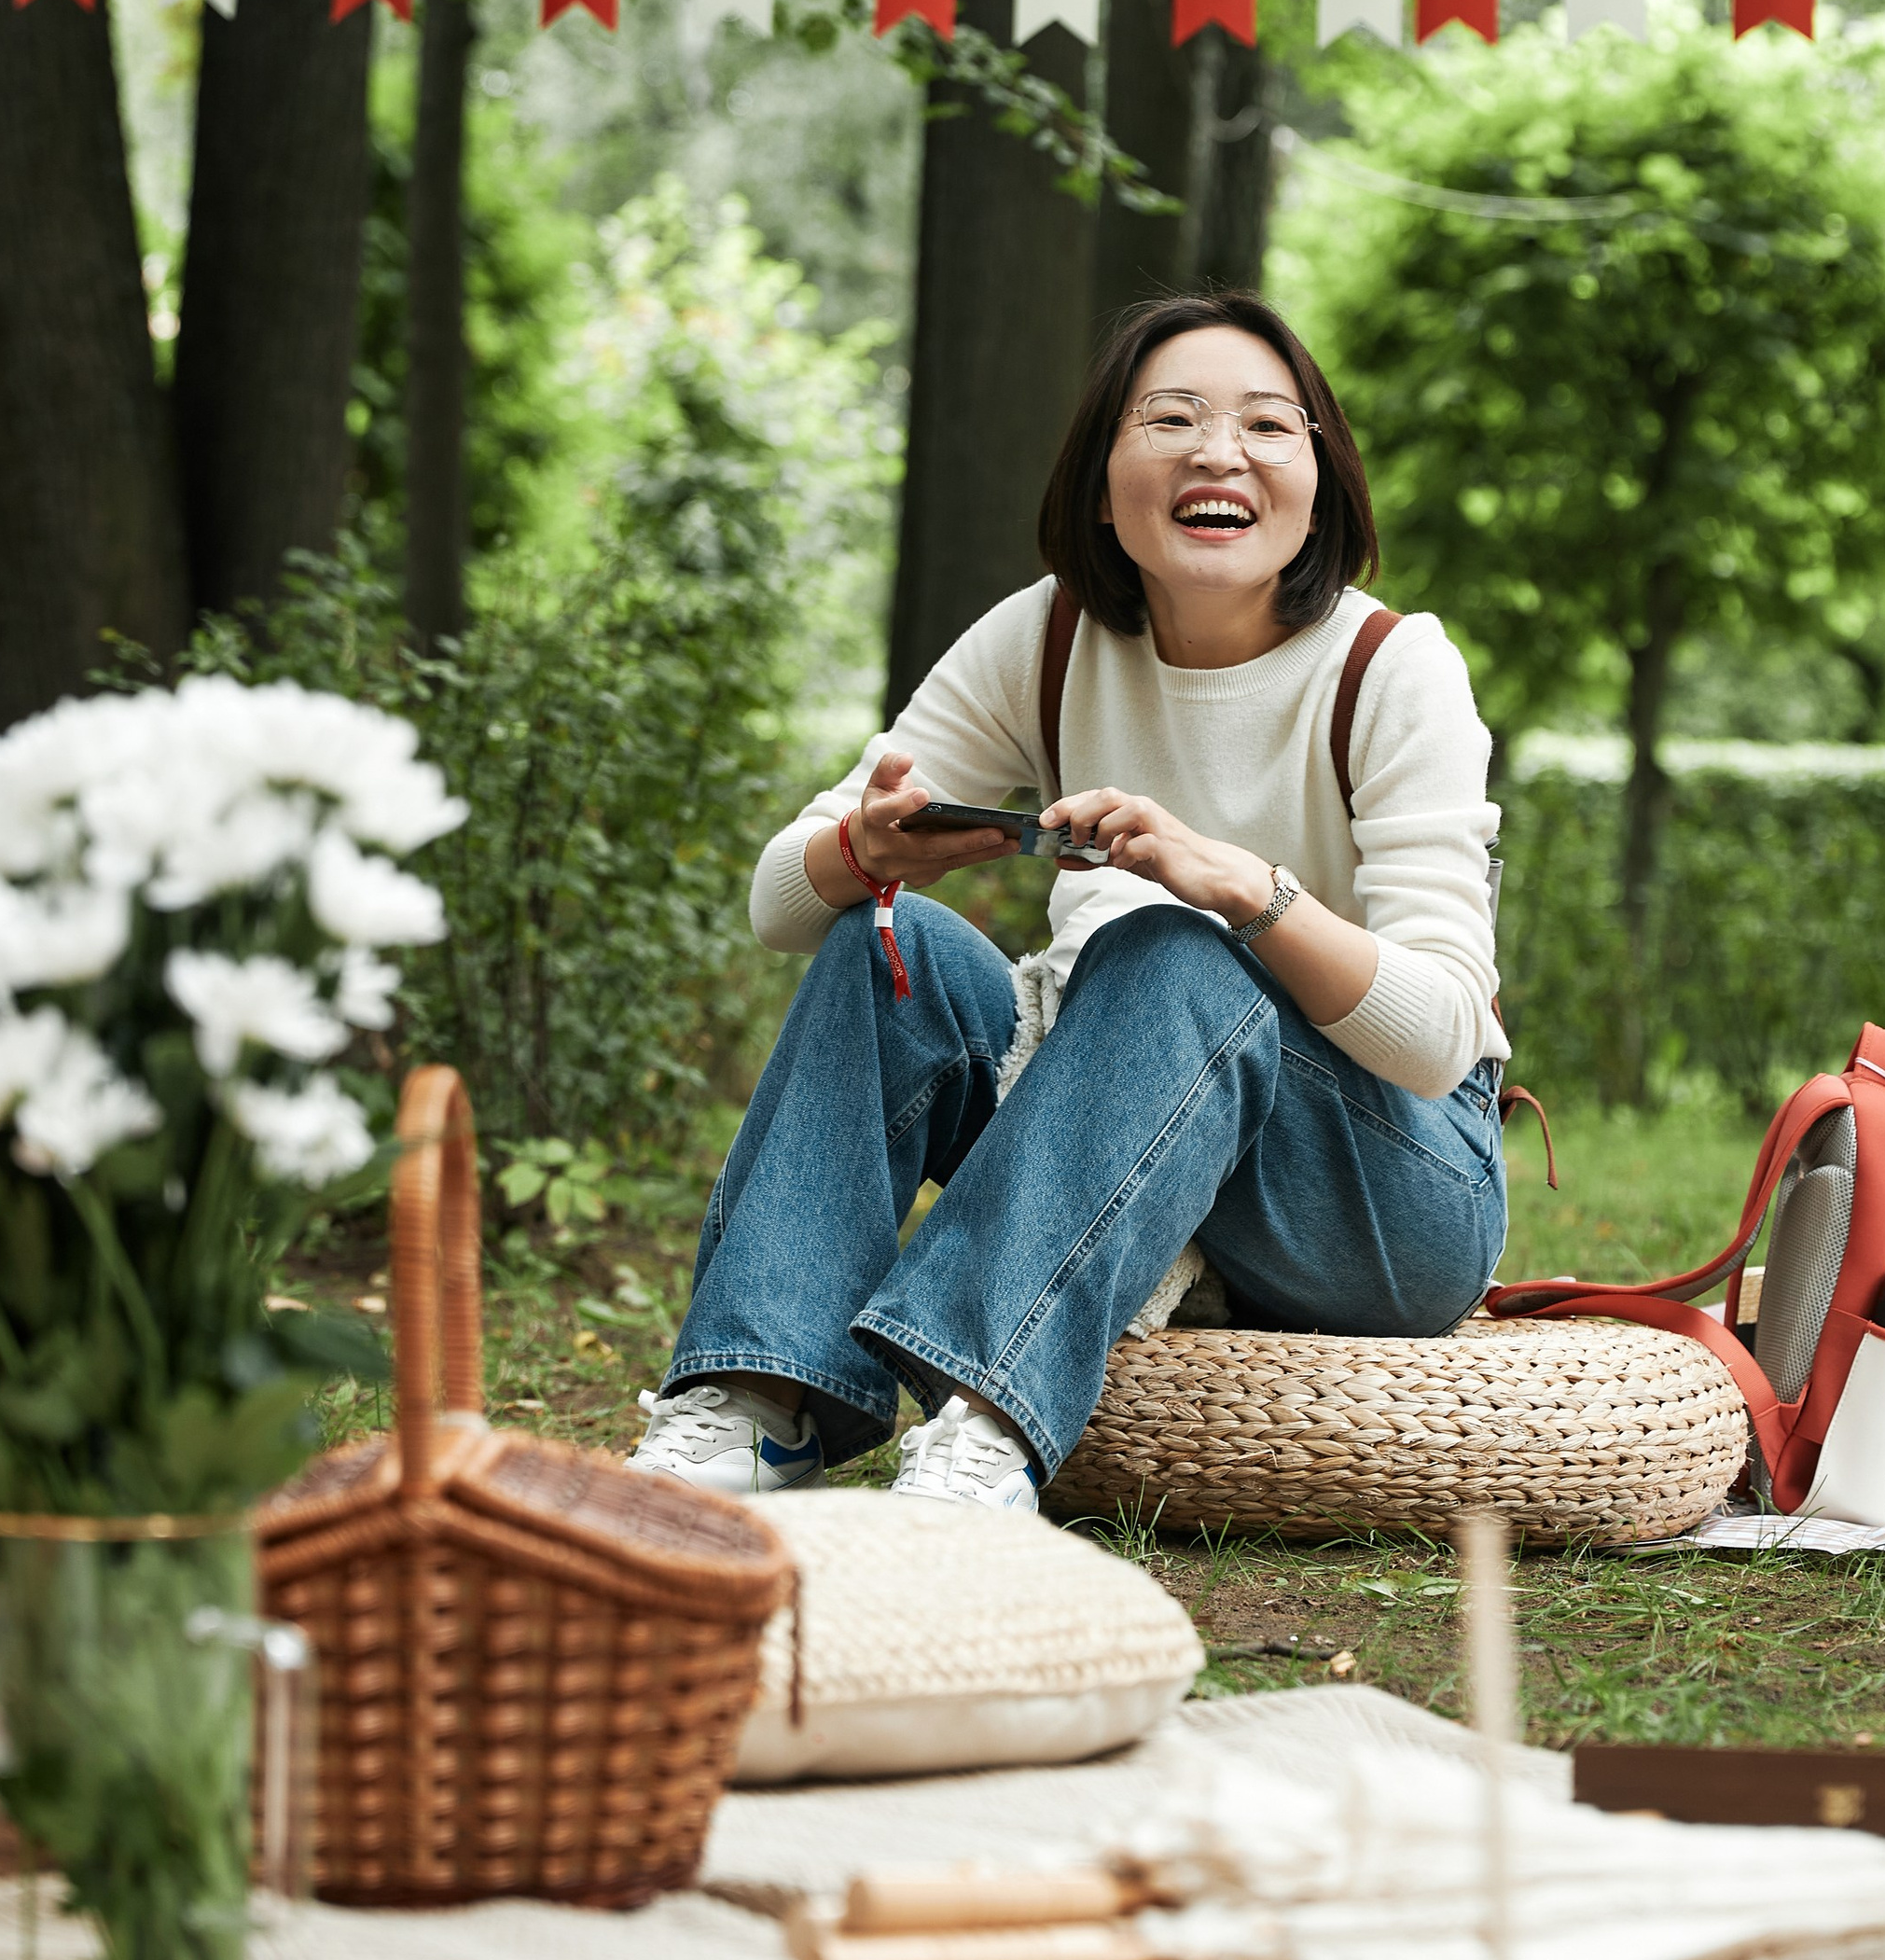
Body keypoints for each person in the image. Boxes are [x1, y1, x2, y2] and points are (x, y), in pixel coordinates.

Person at [630, 288, 1509, 1511]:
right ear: (1105, 485)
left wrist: (1243, 892)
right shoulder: (1043, 640)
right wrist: (868, 848)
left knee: (1173, 948)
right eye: (1173, 419)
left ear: (1321, 480)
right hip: (1114, 1125)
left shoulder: (1391, 667)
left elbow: (1438, 1035)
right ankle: (758, 1402)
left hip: (1381, 1194)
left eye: (1269, 425)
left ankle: (985, 1425)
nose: (1220, 452)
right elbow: (780, 899)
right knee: (893, 942)